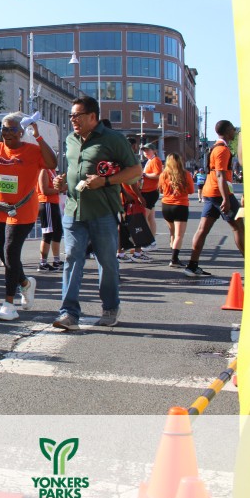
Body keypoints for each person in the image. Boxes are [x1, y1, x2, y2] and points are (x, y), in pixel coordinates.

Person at [51, 97, 141, 330]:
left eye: (77, 115)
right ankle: (69, 313)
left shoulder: (114, 139)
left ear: (92, 116)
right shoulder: (70, 139)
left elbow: (135, 171)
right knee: (72, 259)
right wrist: (63, 183)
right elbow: (74, 169)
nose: (73, 120)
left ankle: (110, 307)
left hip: (103, 211)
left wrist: (106, 181)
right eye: (71, 115)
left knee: (107, 261)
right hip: (73, 210)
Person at [0, 113, 58, 321]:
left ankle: (8, 304)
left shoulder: (32, 151)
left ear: (21, 132)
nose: (7, 133)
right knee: (5, 255)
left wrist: (38, 136)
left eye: (12, 129)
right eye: (4, 129)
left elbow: (52, 162)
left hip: (22, 210)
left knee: (10, 251)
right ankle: (25, 283)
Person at [184, 120, 245, 277]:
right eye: (232, 129)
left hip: (211, 193)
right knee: (238, 227)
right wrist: (226, 199)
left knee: (202, 229)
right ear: (227, 131)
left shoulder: (215, 148)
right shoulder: (222, 150)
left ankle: (192, 266)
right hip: (220, 193)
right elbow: (220, 175)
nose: (234, 131)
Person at [159, 152, 195, 268]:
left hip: (166, 205)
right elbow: (191, 190)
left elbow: (160, 190)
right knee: (179, 235)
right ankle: (174, 259)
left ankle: (174, 255)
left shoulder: (163, 175)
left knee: (172, 233)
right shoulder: (185, 174)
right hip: (180, 205)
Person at [36, 166, 63, 271]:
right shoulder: (43, 170)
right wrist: (59, 189)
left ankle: (56, 261)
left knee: (57, 232)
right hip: (46, 203)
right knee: (48, 233)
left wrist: (61, 186)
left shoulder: (52, 170)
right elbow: (45, 190)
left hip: (53, 203)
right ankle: (43, 263)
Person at [138, 143, 163, 251]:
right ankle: (152, 242)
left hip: (150, 192)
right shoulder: (150, 161)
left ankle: (148, 242)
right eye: (144, 150)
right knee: (150, 218)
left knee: (143, 218)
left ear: (154, 151)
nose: (145, 152)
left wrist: (144, 175)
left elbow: (158, 175)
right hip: (149, 191)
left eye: (148, 150)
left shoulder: (155, 160)